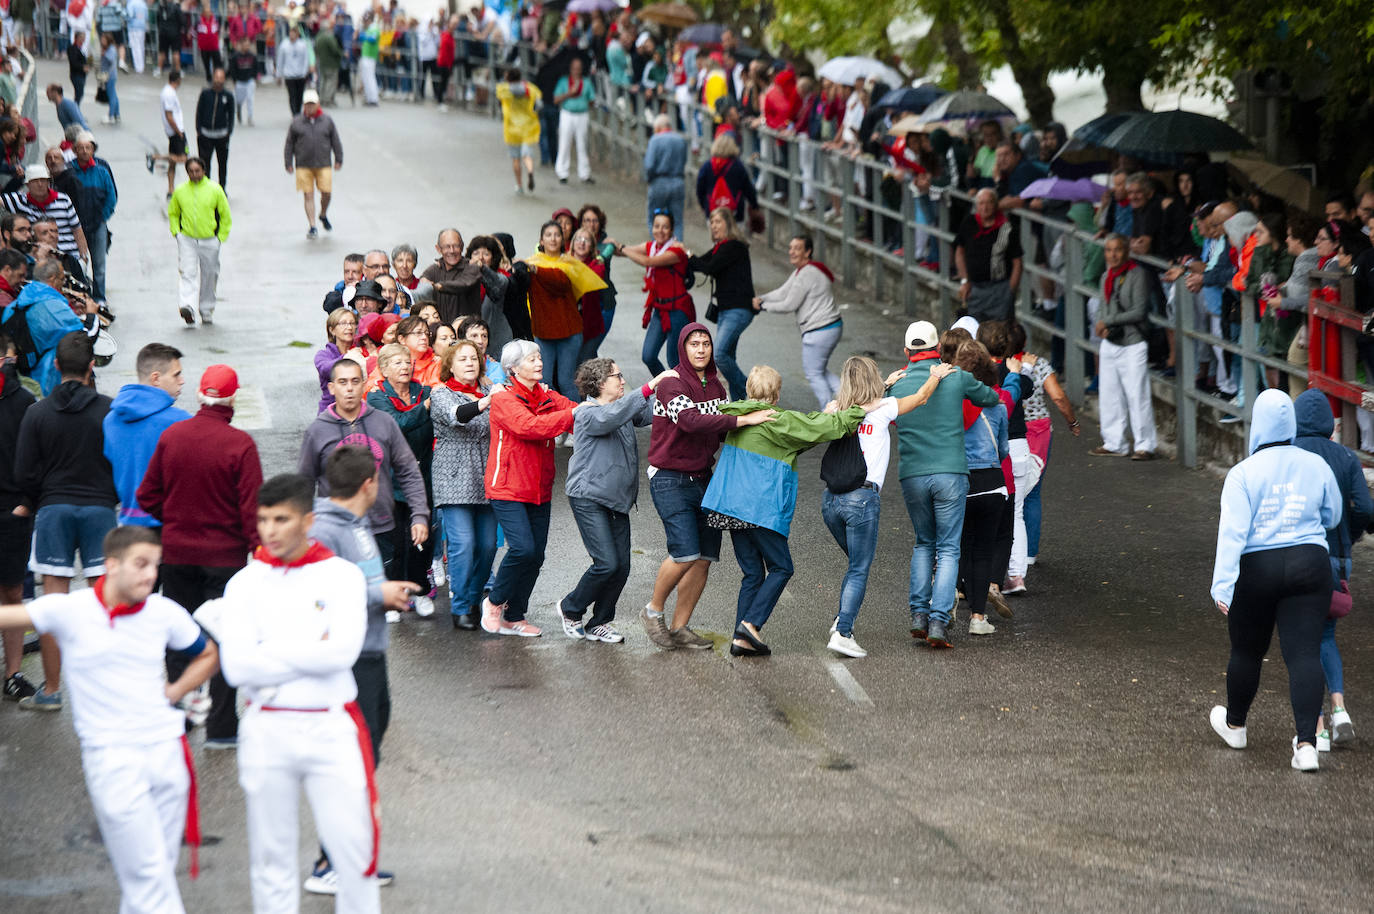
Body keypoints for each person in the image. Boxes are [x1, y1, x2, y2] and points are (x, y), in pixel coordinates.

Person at [0, 526, 219, 912]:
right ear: (112, 565)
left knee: (153, 875)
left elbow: (207, 654)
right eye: (140, 564)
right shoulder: (69, 609)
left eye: (155, 565)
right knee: (148, 873)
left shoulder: (165, 612)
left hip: (168, 755)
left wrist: (174, 691)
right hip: (113, 760)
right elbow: (10, 614)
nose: (151, 574)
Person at [203, 474, 381, 913]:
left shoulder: (342, 576)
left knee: (354, 852)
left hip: (331, 727)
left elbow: (341, 653)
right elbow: (237, 666)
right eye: (263, 520)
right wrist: (307, 651)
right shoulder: (244, 583)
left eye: (281, 519)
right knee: (270, 858)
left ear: (307, 520)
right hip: (266, 727)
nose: (270, 530)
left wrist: (265, 649)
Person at [1209, 389, 1341, 772]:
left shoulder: (1243, 473)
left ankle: (1235, 725)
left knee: (1247, 651)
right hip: (1310, 563)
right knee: (1304, 653)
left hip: (1257, 566)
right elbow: (1332, 515)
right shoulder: (1315, 463)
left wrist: (1223, 584)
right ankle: (1306, 746)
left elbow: (1232, 533)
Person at [303, 446, 415, 894]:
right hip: (350, 660)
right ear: (370, 484)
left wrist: (381, 591)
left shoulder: (355, 523)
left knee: (367, 756)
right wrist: (378, 594)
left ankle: (344, 856)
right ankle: (331, 863)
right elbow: (320, 597)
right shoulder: (327, 532)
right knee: (353, 762)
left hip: (370, 653)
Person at [137, 363, 263, 749]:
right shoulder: (239, 444)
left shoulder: (173, 436)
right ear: (233, 398)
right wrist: (255, 547)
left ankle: (177, 716)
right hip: (225, 559)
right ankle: (222, 728)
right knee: (223, 637)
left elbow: (146, 496)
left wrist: (175, 519)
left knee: (179, 633)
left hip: (176, 554)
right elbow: (251, 509)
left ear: (199, 396)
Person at [700, 366, 865, 656]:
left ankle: (741, 637)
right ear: (776, 395)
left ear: (749, 390)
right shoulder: (776, 419)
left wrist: (824, 417)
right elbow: (824, 428)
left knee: (752, 573)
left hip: (730, 507)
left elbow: (789, 443)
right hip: (760, 508)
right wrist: (858, 410)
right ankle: (750, 625)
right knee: (781, 567)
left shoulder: (736, 416)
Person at [643, 323, 776, 650]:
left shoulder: (717, 387)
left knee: (702, 558)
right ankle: (652, 611)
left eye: (706, 344)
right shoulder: (671, 384)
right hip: (669, 478)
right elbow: (689, 421)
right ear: (682, 349)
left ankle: (680, 628)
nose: (701, 349)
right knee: (685, 552)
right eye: (694, 344)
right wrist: (742, 420)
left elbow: (720, 433)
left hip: (704, 479)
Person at [821, 356, 954, 657]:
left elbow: (859, 402)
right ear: (872, 381)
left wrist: (885, 385)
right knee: (859, 568)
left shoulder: (834, 409)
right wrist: (936, 374)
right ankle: (843, 633)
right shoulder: (884, 409)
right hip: (862, 500)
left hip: (830, 502)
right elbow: (920, 398)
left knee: (855, 564)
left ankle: (841, 618)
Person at [12, 331, 117, 711]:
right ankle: (102, 692)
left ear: (56, 366)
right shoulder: (108, 410)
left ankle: (52, 690)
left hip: (54, 510)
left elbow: (23, 472)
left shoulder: (37, 412)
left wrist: (38, 498)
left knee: (55, 605)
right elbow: (118, 461)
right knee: (103, 603)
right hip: (100, 510)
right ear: (92, 365)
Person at [891, 320, 1001, 648]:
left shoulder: (896, 383)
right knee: (949, 547)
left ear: (907, 351)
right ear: (937, 349)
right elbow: (990, 398)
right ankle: (939, 622)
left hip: (912, 474)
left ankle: (918, 615)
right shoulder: (955, 377)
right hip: (952, 473)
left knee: (924, 543)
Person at [559, 359, 675, 642]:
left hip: (617, 500)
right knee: (607, 563)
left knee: (622, 565)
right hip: (588, 497)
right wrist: (651, 385)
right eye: (617, 376)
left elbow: (650, 413)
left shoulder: (621, 407)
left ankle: (600, 621)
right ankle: (571, 608)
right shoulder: (587, 413)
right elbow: (612, 416)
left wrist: (676, 390)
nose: (623, 380)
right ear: (599, 383)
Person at [476, 340, 576, 638]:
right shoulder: (504, 398)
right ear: (513, 368)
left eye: (538, 357)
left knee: (536, 555)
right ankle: (494, 603)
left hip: (539, 485)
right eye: (531, 359)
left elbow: (574, 411)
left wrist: (592, 411)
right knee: (522, 549)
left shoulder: (546, 393)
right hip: (507, 486)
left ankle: (515, 615)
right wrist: (573, 416)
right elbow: (530, 427)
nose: (538, 362)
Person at [1292, 389, 1372, 753]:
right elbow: (1366, 510)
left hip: (1299, 558)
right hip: (1339, 558)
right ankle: (1339, 709)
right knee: (1325, 636)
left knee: (1300, 642)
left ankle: (1318, 729)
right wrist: (1350, 535)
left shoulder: (1289, 455)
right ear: (1329, 424)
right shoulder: (1345, 456)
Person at [298, 358, 429, 575]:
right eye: (342, 382)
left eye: (355, 381)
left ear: (364, 384)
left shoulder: (384, 422)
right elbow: (304, 482)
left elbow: (408, 471)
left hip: (382, 525)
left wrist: (419, 515)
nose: (349, 388)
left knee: (378, 594)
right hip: (334, 528)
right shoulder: (317, 430)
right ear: (331, 387)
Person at [431, 339, 498, 631]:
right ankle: (459, 608)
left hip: (487, 475)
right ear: (450, 365)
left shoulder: (489, 390)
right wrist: (487, 402)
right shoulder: (441, 393)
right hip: (454, 475)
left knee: (487, 546)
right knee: (463, 544)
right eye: (463, 359)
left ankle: (473, 599)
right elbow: (457, 417)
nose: (470, 363)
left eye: (474, 358)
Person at [365, 343, 436, 617]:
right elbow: (396, 423)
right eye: (397, 363)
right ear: (383, 370)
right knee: (394, 541)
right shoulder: (377, 398)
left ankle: (418, 591)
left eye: (407, 362)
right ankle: (391, 595)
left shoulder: (424, 391)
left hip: (423, 474)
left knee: (423, 539)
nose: (405, 366)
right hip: (391, 479)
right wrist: (426, 408)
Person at [103, 342, 189, 527]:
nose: (182, 380)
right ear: (156, 378)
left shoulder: (110, 420)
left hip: (128, 522)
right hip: (168, 523)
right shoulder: (181, 422)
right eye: (176, 374)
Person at [752, 233, 843, 407]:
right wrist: (761, 298)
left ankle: (829, 411)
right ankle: (847, 398)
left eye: (797, 248)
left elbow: (789, 304)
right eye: (791, 248)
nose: (792, 252)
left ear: (808, 252)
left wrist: (763, 306)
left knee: (813, 373)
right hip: (830, 327)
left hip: (820, 330)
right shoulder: (804, 271)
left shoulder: (807, 274)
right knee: (820, 370)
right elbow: (782, 292)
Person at [1090, 234, 1157, 460]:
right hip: (1111, 342)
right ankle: (1114, 442)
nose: (1113, 255)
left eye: (1117, 249)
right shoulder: (1106, 276)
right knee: (1109, 394)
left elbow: (1139, 310)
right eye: (1109, 250)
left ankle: (1144, 445)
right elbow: (1102, 306)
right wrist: (1102, 325)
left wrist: (1107, 321)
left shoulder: (1137, 274)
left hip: (1133, 342)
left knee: (1137, 394)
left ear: (1126, 251)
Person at [523, 220, 605, 400]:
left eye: (557, 235)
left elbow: (560, 282)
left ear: (562, 239)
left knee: (566, 381)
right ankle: (552, 423)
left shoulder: (570, 264)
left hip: (569, 332)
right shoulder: (531, 264)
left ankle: (576, 423)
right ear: (541, 241)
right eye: (548, 235)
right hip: (543, 332)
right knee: (544, 381)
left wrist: (536, 270)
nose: (553, 239)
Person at [0, 331, 37, 701]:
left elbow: (35, 460)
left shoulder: (24, 401)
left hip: (11, 513)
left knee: (12, 592)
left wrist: (27, 502)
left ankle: (12, 673)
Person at [687, 207, 754, 400]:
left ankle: (752, 390)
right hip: (726, 310)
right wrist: (685, 257)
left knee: (719, 355)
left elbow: (708, 267)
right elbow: (700, 263)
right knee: (728, 357)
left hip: (738, 310)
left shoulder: (734, 246)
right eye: (712, 222)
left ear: (729, 223)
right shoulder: (721, 247)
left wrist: (689, 256)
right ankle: (740, 407)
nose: (714, 226)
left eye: (718, 222)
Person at [615, 209, 691, 376]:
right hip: (660, 309)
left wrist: (621, 247)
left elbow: (648, 262)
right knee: (648, 355)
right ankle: (668, 387)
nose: (660, 231)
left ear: (671, 230)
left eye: (665, 227)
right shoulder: (651, 247)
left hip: (678, 310)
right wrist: (608, 244)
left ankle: (684, 394)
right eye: (657, 226)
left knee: (674, 360)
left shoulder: (676, 251)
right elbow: (624, 251)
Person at [167, 156, 230, 326]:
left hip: (210, 239)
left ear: (203, 171)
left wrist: (220, 238)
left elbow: (225, 215)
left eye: (197, 171)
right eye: (191, 171)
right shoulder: (180, 191)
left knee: (210, 274)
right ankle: (187, 306)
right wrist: (176, 232)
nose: (194, 174)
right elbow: (173, 212)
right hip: (187, 239)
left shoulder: (215, 190)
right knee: (187, 273)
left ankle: (207, 309)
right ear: (187, 172)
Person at [955, 188, 1022, 322]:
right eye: (981, 203)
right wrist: (964, 281)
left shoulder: (1008, 229)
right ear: (976, 206)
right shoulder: (969, 222)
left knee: (1000, 334)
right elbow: (959, 252)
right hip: (975, 288)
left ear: (996, 205)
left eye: (989, 203)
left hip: (999, 288)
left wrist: (1010, 291)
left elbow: (1017, 263)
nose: (985, 207)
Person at [284, 89, 343, 239]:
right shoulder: (296, 122)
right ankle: (312, 226)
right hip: (303, 164)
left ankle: (323, 214)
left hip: (323, 163)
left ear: (318, 104)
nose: (310, 107)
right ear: (304, 106)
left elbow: (335, 140)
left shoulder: (327, 121)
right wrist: (288, 162)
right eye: (307, 104)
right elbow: (289, 143)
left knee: (326, 193)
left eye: (312, 104)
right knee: (308, 195)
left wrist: (338, 158)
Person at [67, 132, 117, 305]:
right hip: (75, 225)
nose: (84, 151)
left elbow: (111, 197)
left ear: (93, 150)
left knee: (99, 263)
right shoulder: (69, 172)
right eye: (80, 148)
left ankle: (99, 297)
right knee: (78, 261)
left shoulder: (101, 172)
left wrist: (103, 217)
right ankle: (80, 296)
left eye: (88, 147)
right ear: (74, 150)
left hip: (98, 224)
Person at [3, 164, 88, 264]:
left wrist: (84, 257)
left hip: (69, 257)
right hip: (40, 260)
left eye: (43, 180)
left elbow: (77, 230)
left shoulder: (63, 199)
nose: (40, 184)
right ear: (27, 184)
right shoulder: (19, 201)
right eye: (35, 181)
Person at [421, 228, 482, 325]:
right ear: (438, 249)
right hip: (442, 333)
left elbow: (463, 284)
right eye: (447, 247)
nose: (452, 251)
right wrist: (424, 283)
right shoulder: (434, 269)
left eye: (456, 246)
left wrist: (438, 286)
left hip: (468, 331)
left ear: (462, 247)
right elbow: (422, 285)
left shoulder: (471, 267)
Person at [495, 68, 541, 195]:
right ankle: (530, 171)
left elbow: (499, 96)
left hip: (512, 128)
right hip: (528, 127)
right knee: (527, 155)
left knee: (515, 158)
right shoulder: (530, 89)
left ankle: (519, 185)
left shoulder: (503, 90)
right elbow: (539, 104)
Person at [643, 113, 687, 232]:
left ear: (657, 128)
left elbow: (649, 165)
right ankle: (677, 248)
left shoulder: (655, 140)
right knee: (676, 221)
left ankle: (657, 248)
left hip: (659, 181)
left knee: (654, 219)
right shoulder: (680, 140)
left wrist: (649, 179)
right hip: (678, 181)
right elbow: (684, 161)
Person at [147, 70, 188, 200]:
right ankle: (155, 157)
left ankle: (171, 189)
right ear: (178, 80)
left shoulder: (167, 91)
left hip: (173, 131)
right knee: (183, 158)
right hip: (176, 131)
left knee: (173, 162)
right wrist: (179, 132)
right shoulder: (169, 94)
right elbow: (169, 116)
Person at [554, 56, 594, 185]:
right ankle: (562, 172)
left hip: (582, 114)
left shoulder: (586, 82)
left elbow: (591, 99)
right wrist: (569, 94)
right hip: (567, 113)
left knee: (582, 144)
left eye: (579, 69)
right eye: (574, 68)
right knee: (564, 142)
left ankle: (584, 173)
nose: (576, 71)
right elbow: (556, 99)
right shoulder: (563, 82)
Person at [194, 67, 234, 188]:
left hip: (222, 136)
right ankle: (205, 188)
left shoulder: (228, 96)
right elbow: (199, 111)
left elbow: (231, 114)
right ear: (213, 78)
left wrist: (229, 131)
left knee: (222, 164)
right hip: (205, 135)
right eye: (216, 77)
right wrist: (199, 130)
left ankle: (222, 189)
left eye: (221, 78)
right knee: (205, 164)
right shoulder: (205, 94)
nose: (218, 80)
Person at [315, 307, 356, 413]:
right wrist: (348, 356)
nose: (349, 327)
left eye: (352, 323)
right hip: (330, 411)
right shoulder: (323, 355)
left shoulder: (361, 351)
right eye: (343, 323)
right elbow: (325, 369)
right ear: (332, 330)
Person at [276, 24, 312, 115]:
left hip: (300, 74)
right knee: (292, 95)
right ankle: (294, 114)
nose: (292, 35)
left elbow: (306, 59)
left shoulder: (302, 45)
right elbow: (280, 60)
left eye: (294, 33)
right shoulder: (284, 45)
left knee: (299, 95)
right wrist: (279, 74)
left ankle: (298, 111)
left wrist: (304, 72)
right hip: (289, 75)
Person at [313, 19, 342, 108]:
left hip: (321, 63)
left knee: (323, 81)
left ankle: (322, 98)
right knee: (331, 81)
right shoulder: (329, 37)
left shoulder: (318, 37)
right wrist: (341, 54)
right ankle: (327, 99)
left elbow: (315, 49)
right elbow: (335, 49)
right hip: (331, 63)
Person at [358, 9, 381, 105]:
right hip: (365, 56)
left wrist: (364, 36)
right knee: (365, 78)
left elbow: (372, 39)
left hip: (370, 57)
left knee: (370, 78)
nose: (364, 22)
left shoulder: (374, 28)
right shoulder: (368, 29)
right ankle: (369, 98)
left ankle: (373, 98)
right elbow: (360, 37)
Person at [97, 32, 120, 126]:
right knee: (113, 95)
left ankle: (111, 115)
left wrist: (104, 54)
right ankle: (116, 114)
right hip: (105, 74)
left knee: (111, 96)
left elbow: (111, 60)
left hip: (110, 75)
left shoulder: (111, 49)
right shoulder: (106, 49)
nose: (102, 41)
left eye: (103, 40)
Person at [194, 2, 221, 80]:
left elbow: (218, 31)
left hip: (214, 46)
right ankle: (208, 77)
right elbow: (193, 32)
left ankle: (217, 77)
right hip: (204, 48)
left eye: (209, 11)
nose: (208, 13)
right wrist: (200, 40)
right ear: (203, 13)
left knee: (217, 63)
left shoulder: (215, 19)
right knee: (206, 64)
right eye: (206, 12)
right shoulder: (199, 21)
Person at [69, 29, 90, 104]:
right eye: (82, 37)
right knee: (79, 94)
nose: (84, 39)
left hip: (81, 75)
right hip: (76, 75)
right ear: (77, 38)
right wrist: (82, 67)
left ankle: (76, 110)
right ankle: (75, 110)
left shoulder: (82, 48)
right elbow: (74, 62)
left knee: (80, 94)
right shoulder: (72, 48)